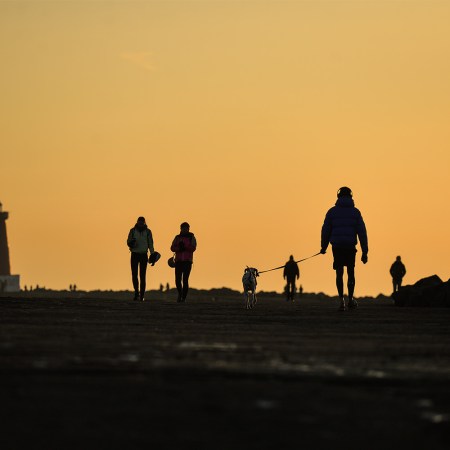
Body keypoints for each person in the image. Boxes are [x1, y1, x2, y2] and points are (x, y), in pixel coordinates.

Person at [320, 187, 368, 311]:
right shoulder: (356, 212)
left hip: (337, 247)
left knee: (339, 273)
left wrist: (323, 247)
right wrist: (364, 251)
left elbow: (325, 231)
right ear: (351, 196)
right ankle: (350, 299)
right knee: (351, 272)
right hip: (350, 247)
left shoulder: (332, 212)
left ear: (338, 196)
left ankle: (341, 300)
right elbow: (362, 233)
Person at [127, 216, 156, 301]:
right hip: (134, 254)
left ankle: (142, 295)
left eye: (141, 223)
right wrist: (131, 243)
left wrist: (152, 254)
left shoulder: (148, 232)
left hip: (144, 255)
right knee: (134, 275)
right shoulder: (132, 231)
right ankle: (137, 293)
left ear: (144, 223)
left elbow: (150, 243)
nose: (140, 224)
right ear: (137, 222)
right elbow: (128, 241)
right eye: (139, 222)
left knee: (142, 276)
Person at [170, 222, 197, 302]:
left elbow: (193, 248)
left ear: (188, 229)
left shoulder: (191, 237)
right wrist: (179, 248)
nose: (184, 230)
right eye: (183, 228)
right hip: (178, 261)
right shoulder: (177, 237)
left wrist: (185, 247)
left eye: (186, 228)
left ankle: (183, 298)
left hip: (187, 261)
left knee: (185, 280)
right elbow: (172, 247)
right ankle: (180, 294)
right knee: (177, 280)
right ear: (180, 229)